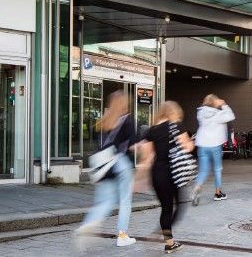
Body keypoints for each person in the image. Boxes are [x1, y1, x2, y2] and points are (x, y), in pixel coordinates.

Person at [75, 91, 141, 248]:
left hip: (104, 165)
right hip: (121, 164)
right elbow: (133, 146)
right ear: (125, 104)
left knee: (104, 202)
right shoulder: (128, 120)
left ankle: (87, 224)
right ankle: (122, 236)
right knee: (125, 200)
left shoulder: (104, 121)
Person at [140, 101, 195, 254]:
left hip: (157, 174)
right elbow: (187, 147)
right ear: (174, 112)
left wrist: (140, 179)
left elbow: (146, 158)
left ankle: (169, 242)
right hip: (173, 173)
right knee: (180, 206)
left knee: (166, 208)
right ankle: (164, 231)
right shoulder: (177, 126)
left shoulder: (150, 131)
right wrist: (192, 142)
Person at [193, 94, 235, 205]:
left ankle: (197, 186)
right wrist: (224, 105)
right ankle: (217, 193)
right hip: (215, 144)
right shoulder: (218, 114)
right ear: (215, 103)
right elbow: (231, 116)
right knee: (217, 169)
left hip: (202, 144)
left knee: (203, 170)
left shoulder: (201, 113)